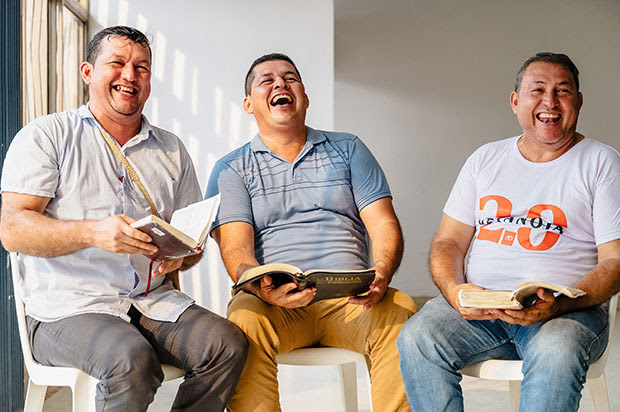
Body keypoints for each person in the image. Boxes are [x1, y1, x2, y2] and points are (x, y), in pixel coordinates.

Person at [0, 26, 247, 412]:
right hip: (66, 308)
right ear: (87, 72)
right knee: (131, 360)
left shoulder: (171, 150)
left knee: (227, 344)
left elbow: (190, 242)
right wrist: (94, 233)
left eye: (142, 67)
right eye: (117, 63)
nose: (130, 76)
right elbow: (13, 230)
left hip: (151, 301)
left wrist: (181, 255)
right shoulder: (47, 135)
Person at [397, 52, 620, 411]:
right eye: (537, 90)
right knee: (418, 337)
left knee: (556, 351)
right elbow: (448, 242)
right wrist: (455, 293)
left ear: (578, 102)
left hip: (567, 313)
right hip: (484, 312)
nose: (549, 102)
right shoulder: (485, 159)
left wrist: (560, 304)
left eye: (562, 91)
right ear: (516, 102)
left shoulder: (602, 163)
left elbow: (616, 261)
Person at [205, 53, 417, 412]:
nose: (280, 84)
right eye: (266, 80)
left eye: (290, 78)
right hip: (275, 305)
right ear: (248, 103)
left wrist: (381, 272)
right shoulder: (231, 169)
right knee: (242, 321)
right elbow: (236, 250)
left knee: (403, 312)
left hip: (353, 300)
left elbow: (383, 223)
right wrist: (261, 288)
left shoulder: (349, 149)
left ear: (304, 96)